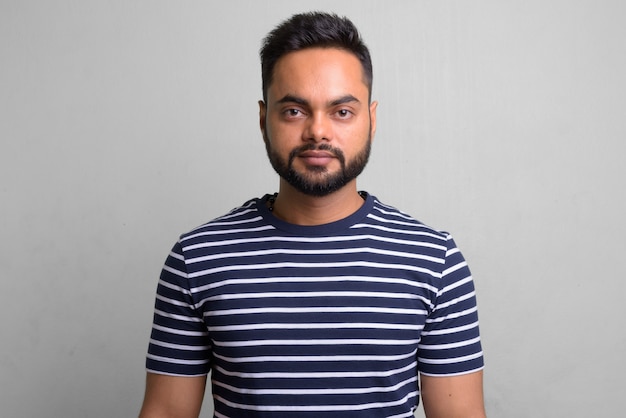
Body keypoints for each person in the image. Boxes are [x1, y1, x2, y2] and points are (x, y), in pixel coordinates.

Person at [139, 11, 485, 418]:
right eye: (294, 111)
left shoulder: (434, 260)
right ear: (263, 119)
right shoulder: (197, 258)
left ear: (371, 120)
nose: (318, 131)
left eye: (341, 112)